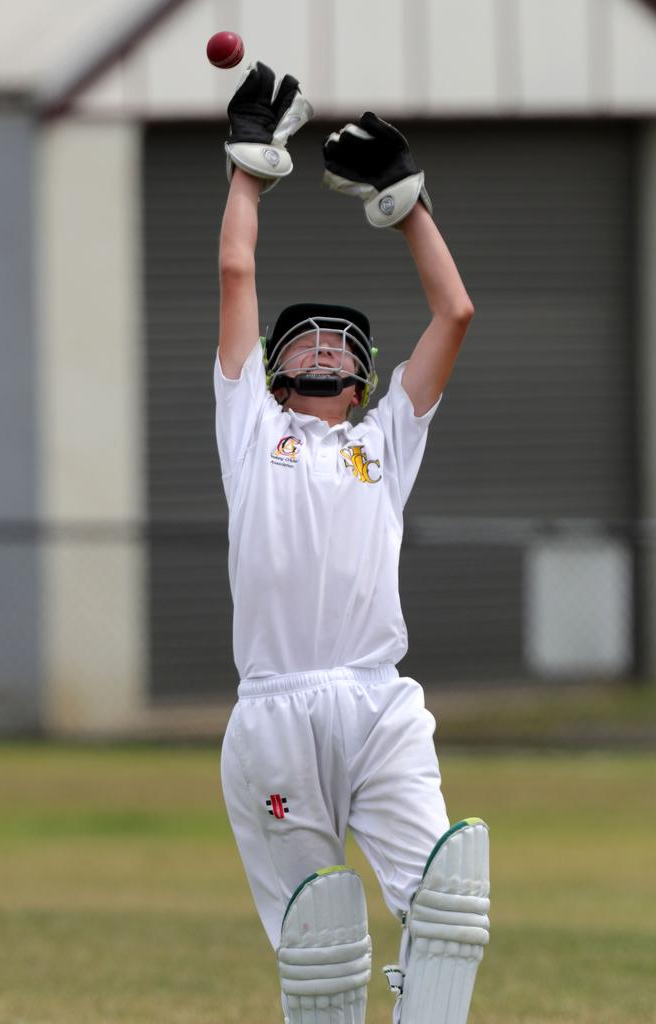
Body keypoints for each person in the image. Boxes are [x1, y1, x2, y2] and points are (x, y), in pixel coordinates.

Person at [214, 62, 490, 1024]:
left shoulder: (386, 441)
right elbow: (238, 273)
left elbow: (453, 314)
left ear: (367, 375)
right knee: (320, 945)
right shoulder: (253, 429)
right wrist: (251, 167)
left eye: (342, 342)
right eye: (305, 341)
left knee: (448, 903)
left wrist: (408, 202)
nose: (324, 347)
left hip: (378, 702)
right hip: (275, 714)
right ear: (278, 371)